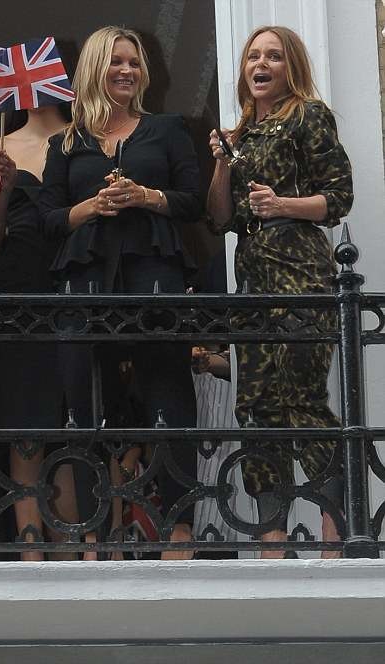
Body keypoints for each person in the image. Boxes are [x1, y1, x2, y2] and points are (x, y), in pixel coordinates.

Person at [38, 26, 202, 560]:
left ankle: (178, 530)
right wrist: (93, 207)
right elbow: (47, 218)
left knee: (168, 395)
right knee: (87, 400)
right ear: (94, 69)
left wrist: (145, 196)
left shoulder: (168, 129)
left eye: (134, 62)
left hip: (154, 273)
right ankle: (94, 533)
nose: (127, 70)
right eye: (116, 62)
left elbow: (194, 201)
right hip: (86, 279)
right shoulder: (66, 143)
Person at [206, 26, 353, 558]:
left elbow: (340, 197)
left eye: (273, 56)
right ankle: (273, 544)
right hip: (253, 281)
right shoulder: (243, 133)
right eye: (253, 56)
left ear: (291, 67)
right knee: (258, 408)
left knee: (302, 399)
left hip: (299, 274)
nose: (260, 64)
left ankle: (336, 538)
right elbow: (219, 218)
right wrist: (221, 160)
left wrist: (283, 204)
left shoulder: (308, 115)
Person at [0, 104, 77, 561]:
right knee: (25, 428)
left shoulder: (84, 138)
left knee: (73, 431)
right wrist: (4, 190)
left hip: (72, 288)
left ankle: (75, 554)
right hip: (16, 299)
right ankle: (31, 556)